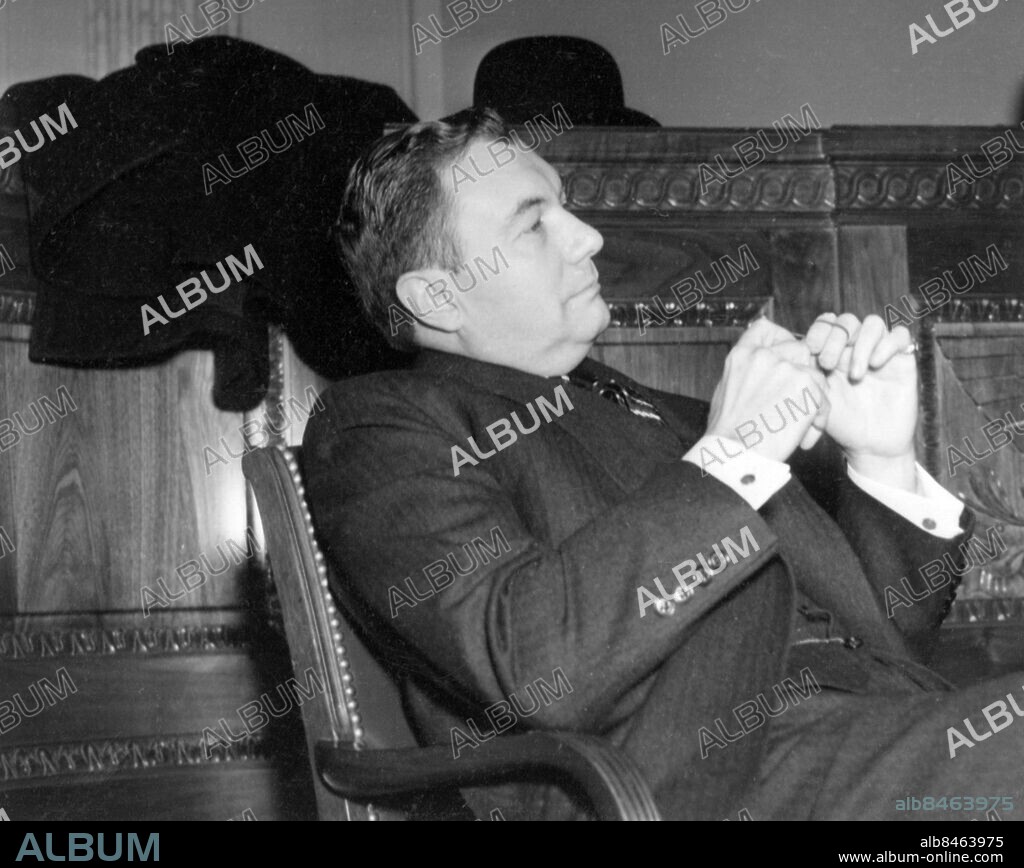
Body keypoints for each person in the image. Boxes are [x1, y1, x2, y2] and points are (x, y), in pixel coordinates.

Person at [302, 108, 1020, 821]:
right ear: (436, 296)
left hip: (869, 748)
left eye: (567, 208)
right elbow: (532, 666)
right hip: (686, 783)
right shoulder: (383, 423)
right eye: (534, 224)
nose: (588, 237)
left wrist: (880, 461)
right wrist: (729, 458)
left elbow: (881, 646)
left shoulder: (675, 416)